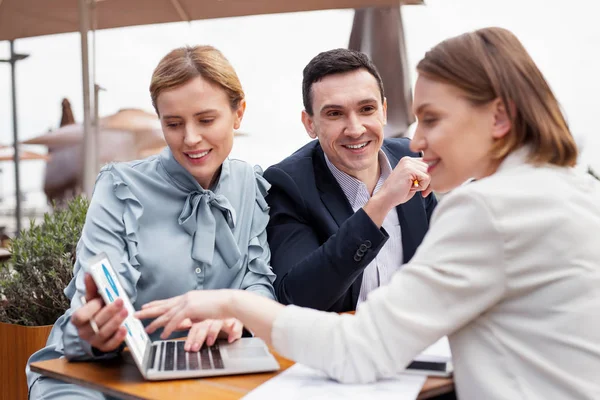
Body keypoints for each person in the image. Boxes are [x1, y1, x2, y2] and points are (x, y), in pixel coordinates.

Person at [137, 28, 600, 400]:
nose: (416, 142)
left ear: (499, 119)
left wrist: (231, 302)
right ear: (310, 122)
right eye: (418, 120)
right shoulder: (575, 189)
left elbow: (361, 351)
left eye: (433, 119)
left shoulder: (485, 209)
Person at [26, 45, 276, 399]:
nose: (190, 138)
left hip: (204, 365)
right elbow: (97, 289)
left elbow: (258, 279)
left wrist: (238, 317)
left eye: (206, 120)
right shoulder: (120, 187)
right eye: (173, 124)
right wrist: (97, 326)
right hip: (97, 368)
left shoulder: (250, 185)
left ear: (239, 113)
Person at [263, 48, 437, 312]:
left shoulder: (411, 157)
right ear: (309, 124)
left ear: (384, 111)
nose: (355, 129)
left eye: (367, 109)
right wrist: (380, 204)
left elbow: (444, 259)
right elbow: (296, 298)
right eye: (334, 114)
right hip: (339, 346)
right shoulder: (288, 184)